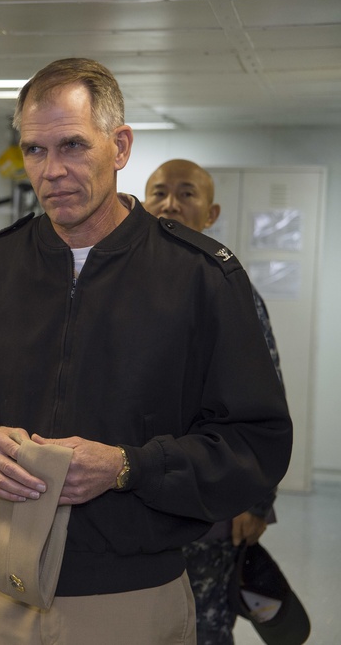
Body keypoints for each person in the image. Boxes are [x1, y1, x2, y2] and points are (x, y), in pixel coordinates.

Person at [0, 58, 292, 645]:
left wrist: (126, 467)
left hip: (130, 599)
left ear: (120, 146)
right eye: (34, 150)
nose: (52, 170)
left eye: (72, 146)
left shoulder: (201, 279)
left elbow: (256, 445)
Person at [144, 159, 282, 645]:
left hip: (208, 505)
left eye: (186, 194)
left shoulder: (230, 290)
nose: (170, 204)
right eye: (159, 192)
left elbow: (264, 404)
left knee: (203, 630)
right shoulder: (124, 285)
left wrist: (258, 500)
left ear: (211, 212)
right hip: (134, 504)